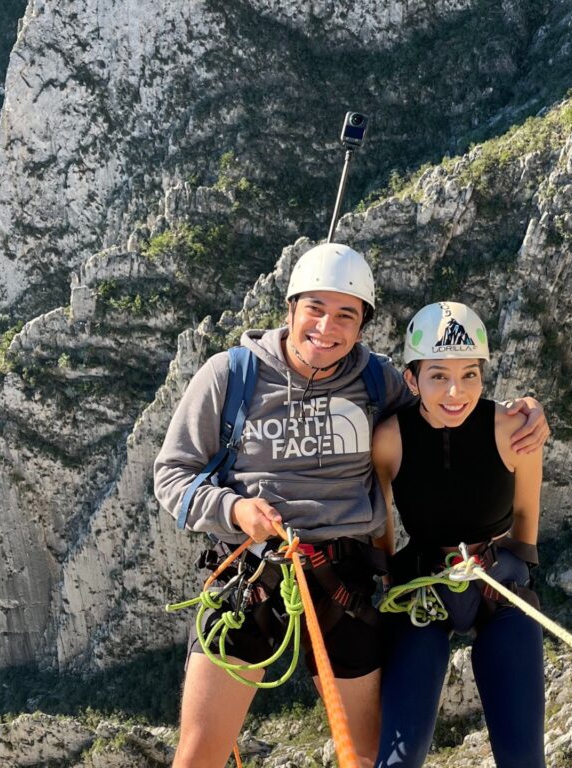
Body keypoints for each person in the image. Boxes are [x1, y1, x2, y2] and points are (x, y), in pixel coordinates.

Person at [153, 244, 549, 768]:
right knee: (197, 756)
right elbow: (171, 475)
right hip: (250, 573)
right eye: (315, 308)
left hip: (345, 582)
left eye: (346, 314)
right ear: (289, 308)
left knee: (364, 758)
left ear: (362, 326)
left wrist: (521, 415)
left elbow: (445, 402)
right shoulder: (230, 376)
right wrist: (233, 510)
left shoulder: (376, 381)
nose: (327, 326)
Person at [373, 301, 545, 768]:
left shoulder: (514, 428)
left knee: (524, 760)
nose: (456, 391)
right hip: (423, 585)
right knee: (399, 758)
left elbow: (526, 516)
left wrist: (519, 573)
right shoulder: (389, 439)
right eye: (438, 376)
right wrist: (386, 584)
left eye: (470, 374)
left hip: (498, 584)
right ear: (412, 381)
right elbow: (381, 530)